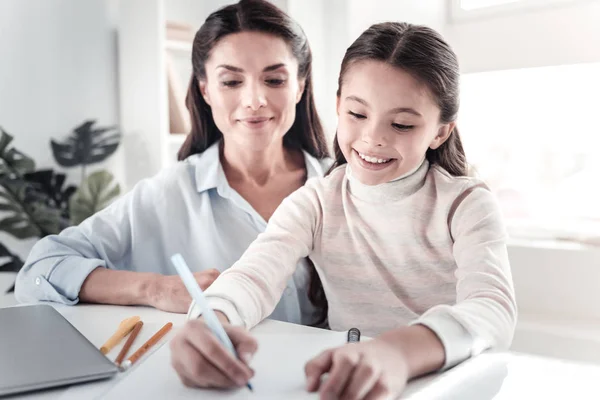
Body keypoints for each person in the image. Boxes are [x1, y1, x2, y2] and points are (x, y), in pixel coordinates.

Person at [169, 21, 517, 399]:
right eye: (356, 114)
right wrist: (210, 322)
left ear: (440, 132)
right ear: (337, 106)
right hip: (346, 385)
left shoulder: (466, 205)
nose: (373, 138)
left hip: (443, 385)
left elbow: (492, 310)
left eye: (401, 124)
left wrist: (395, 353)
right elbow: (253, 277)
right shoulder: (316, 201)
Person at [14, 0, 330, 327]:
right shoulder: (168, 194)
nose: (254, 100)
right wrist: (155, 289)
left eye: (274, 80)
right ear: (205, 89)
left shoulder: (340, 186)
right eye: (231, 82)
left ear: (300, 86)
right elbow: (40, 269)